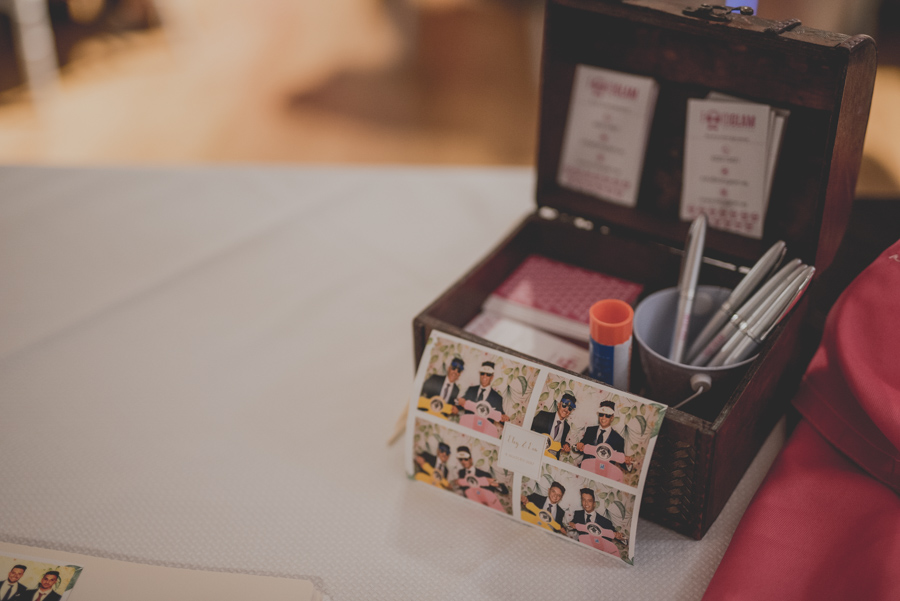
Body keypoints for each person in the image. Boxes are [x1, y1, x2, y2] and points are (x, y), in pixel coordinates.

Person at [576, 400, 633, 469]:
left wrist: (627, 462)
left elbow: (622, 461)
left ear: (612, 417)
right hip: (586, 469)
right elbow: (581, 446)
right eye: (601, 414)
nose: (603, 418)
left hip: (603, 475)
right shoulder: (590, 430)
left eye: (607, 415)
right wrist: (579, 445)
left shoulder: (618, 439)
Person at [530, 393, 576, 459]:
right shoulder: (543, 415)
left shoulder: (567, 427)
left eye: (570, 408)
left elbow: (559, 442)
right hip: (535, 455)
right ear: (558, 405)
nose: (566, 410)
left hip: (551, 459)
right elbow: (528, 429)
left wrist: (566, 445)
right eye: (564, 405)